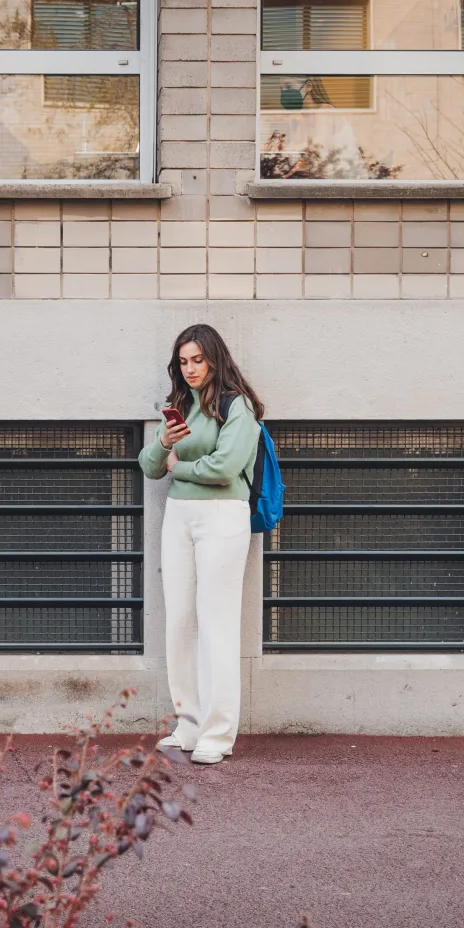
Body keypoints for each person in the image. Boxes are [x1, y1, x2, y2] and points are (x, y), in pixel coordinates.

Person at [139, 324, 264, 765]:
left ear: (215, 359)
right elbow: (150, 466)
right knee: (180, 623)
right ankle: (187, 725)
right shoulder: (179, 406)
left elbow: (227, 467)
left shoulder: (237, 407)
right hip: (179, 517)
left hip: (223, 516)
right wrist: (162, 444)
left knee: (218, 624)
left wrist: (179, 466)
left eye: (198, 359)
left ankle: (217, 733)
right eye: (183, 361)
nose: (190, 369)